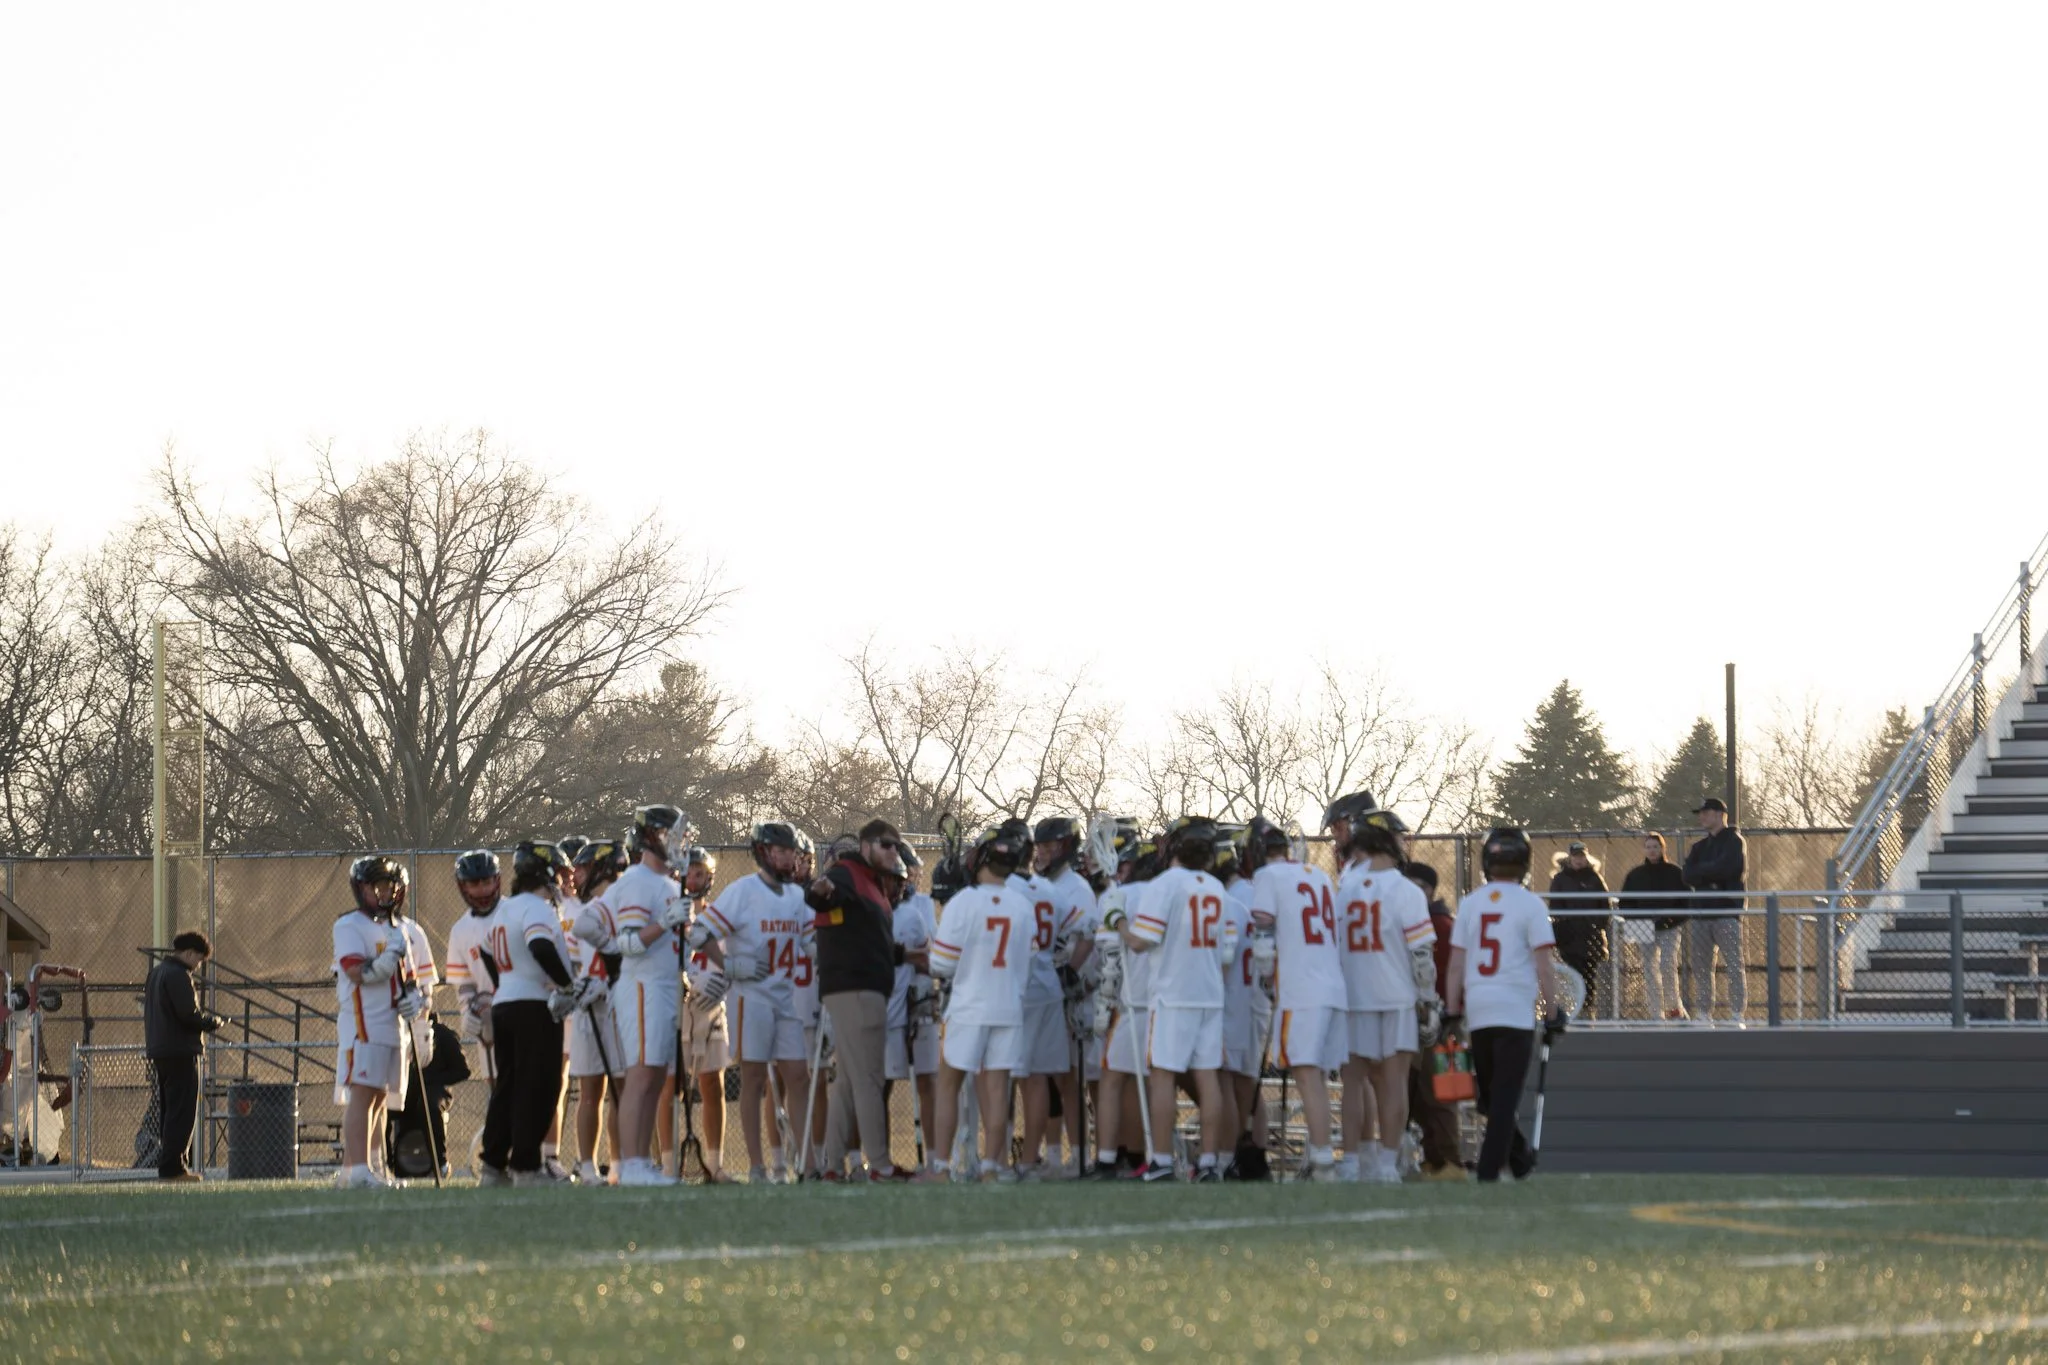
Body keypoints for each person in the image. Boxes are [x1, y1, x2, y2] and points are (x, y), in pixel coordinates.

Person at [688, 821, 812, 1183]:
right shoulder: (743, 891)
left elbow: (810, 942)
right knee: (755, 1079)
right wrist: (730, 964)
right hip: (752, 999)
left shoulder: (794, 896)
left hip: (785, 999)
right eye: (786, 850)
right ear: (767, 852)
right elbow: (699, 932)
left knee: (799, 1078)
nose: (792, 857)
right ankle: (759, 1166)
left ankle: (804, 1161)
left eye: (793, 851)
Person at [1120, 816, 1237, 1183]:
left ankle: (1162, 1160)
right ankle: (1209, 1163)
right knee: (1207, 1078)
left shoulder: (1165, 884)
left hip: (1173, 995)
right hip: (1209, 994)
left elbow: (1141, 941)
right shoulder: (1218, 889)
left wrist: (1118, 923)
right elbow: (1227, 955)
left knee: (1163, 1077)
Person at [1445, 827, 1565, 1184]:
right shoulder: (1531, 904)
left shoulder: (1470, 903)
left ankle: (1517, 1158)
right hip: (1514, 1010)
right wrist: (1553, 1012)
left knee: (1491, 1099)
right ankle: (1490, 1171)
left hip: (1480, 1008)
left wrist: (1452, 1009)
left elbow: (1455, 964)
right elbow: (1544, 966)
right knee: (1501, 1100)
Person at [807, 819, 918, 1182]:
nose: (892, 851)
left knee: (848, 1083)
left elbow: (871, 943)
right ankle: (882, 1164)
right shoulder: (848, 872)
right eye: (886, 844)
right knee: (870, 1078)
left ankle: (832, 1165)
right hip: (855, 989)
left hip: (858, 987)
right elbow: (823, 895)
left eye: (895, 846)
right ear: (866, 845)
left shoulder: (873, 885)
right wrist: (819, 889)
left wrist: (909, 956)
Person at [924, 824, 1034, 1182]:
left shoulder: (964, 902)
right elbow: (1027, 961)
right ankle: (991, 1166)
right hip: (1009, 1005)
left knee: (949, 1082)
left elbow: (941, 964)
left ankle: (940, 1166)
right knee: (997, 1087)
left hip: (970, 1004)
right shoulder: (1022, 905)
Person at [1334, 807, 1436, 1185]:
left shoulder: (1344, 886)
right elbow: (1422, 955)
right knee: (1393, 1084)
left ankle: (1351, 1162)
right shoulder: (1405, 890)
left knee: (1353, 1084)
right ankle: (1388, 1163)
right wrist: (1428, 1000)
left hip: (1353, 994)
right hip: (1395, 995)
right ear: (1386, 839)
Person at [1250, 801, 1351, 1180]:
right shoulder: (1319, 875)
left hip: (1301, 987)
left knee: (1307, 1075)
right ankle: (1318, 1153)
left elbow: (1263, 934)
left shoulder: (1268, 878)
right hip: (1332, 985)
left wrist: (1265, 978)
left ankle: (1323, 1159)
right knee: (1319, 1077)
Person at [477, 841, 585, 1187]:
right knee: (538, 1086)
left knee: (508, 1087)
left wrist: (507, 985)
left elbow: (487, 955)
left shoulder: (504, 909)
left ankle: (493, 1165)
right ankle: (526, 1165)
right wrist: (567, 985)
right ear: (544, 872)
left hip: (506, 1002)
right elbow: (540, 947)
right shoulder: (538, 908)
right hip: (532, 1006)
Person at [606, 804, 693, 1186]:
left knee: (657, 1078)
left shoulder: (670, 884)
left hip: (665, 985)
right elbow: (626, 943)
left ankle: (641, 1163)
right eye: (672, 833)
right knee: (641, 1077)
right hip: (641, 985)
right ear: (652, 836)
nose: (679, 841)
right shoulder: (637, 881)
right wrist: (664, 924)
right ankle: (632, 1163)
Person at [333, 856, 426, 1188]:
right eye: (377, 887)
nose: (384, 894)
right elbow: (356, 972)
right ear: (362, 889)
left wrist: (415, 1001)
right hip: (364, 1023)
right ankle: (356, 1169)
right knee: (362, 1094)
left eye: (389, 887)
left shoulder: (399, 929)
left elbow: (410, 980)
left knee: (378, 1097)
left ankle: (369, 1167)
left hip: (392, 1025)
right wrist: (387, 960)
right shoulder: (349, 926)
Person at [567, 838, 629, 1184]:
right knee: (591, 1089)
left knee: (621, 1086)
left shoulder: (625, 906)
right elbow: (573, 962)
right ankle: (586, 1163)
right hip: (590, 1006)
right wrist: (579, 986)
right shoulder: (579, 910)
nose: (577, 877)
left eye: (585, 869)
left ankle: (619, 1163)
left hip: (620, 1003)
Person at [1400, 861, 1465, 1179]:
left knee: (1442, 1095)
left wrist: (1451, 1014)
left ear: (1430, 891)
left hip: (1444, 1022)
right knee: (1418, 1095)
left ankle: (1449, 1161)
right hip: (1428, 1019)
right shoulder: (1428, 922)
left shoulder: (1439, 924)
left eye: (1419, 887)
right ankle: (1434, 1159)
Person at [144, 931, 226, 1181]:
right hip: (180, 1050)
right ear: (190, 953)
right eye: (199, 960)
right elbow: (188, 1014)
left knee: (170, 1110)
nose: (197, 966)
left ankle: (170, 1165)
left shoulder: (156, 973)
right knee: (182, 1111)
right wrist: (213, 1022)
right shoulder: (179, 975)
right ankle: (174, 1168)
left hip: (160, 1048)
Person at [444, 849, 503, 1171]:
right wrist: (467, 1009)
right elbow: (464, 978)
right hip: (487, 1018)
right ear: (462, 886)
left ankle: (537, 1155)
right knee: (496, 1087)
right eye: (473, 883)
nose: (480, 890)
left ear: (497, 880)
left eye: (485, 882)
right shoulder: (460, 930)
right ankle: (499, 1159)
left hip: (521, 1010)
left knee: (525, 1083)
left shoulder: (514, 913)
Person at [675, 845, 731, 1182]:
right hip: (679, 1006)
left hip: (711, 1009)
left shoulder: (718, 917)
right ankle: (666, 1163)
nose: (693, 879)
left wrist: (719, 988)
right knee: (671, 1088)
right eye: (689, 872)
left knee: (714, 1084)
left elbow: (729, 959)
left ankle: (715, 1164)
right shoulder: (671, 912)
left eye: (700, 873)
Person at [1682, 798, 1748, 1024]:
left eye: (1706, 812)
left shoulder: (1734, 841)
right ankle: (1703, 1013)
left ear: (1721, 814)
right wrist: (1709, 875)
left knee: (1734, 964)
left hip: (1727, 911)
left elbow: (1730, 869)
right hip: (1701, 912)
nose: (1702, 817)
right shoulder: (1699, 847)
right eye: (1700, 813)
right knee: (1701, 966)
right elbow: (1687, 875)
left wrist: (1704, 875)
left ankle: (1737, 1013)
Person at [1618, 834, 1689, 1021]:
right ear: (1644, 850)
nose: (1652, 850)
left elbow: (1686, 902)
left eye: (1656, 846)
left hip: (1669, 926)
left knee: (1667, 964)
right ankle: (1656, 1013)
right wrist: (1636, 921)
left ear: (1662, 848)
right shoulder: (1635, 874)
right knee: (1649, 969)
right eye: (1648, 847)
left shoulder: (1675, 872)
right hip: (1642, 926)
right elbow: (1625, 903)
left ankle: (1675, 1008)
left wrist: (1671, 920)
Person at [1546, 842, 1610, 1018]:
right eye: (1576, 856)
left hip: (1591, 937)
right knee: (1575, 974)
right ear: (1570, 858)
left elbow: (1605, 905)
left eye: (1582, 856)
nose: (1579, 860)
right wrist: (1566, 925)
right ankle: (1576, 1009)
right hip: (1570, 937)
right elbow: (1555, 906)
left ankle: (1587, 1011)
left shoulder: (1594, 878)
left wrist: (1597, 925)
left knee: (1589, 975)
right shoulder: (1560, 879)